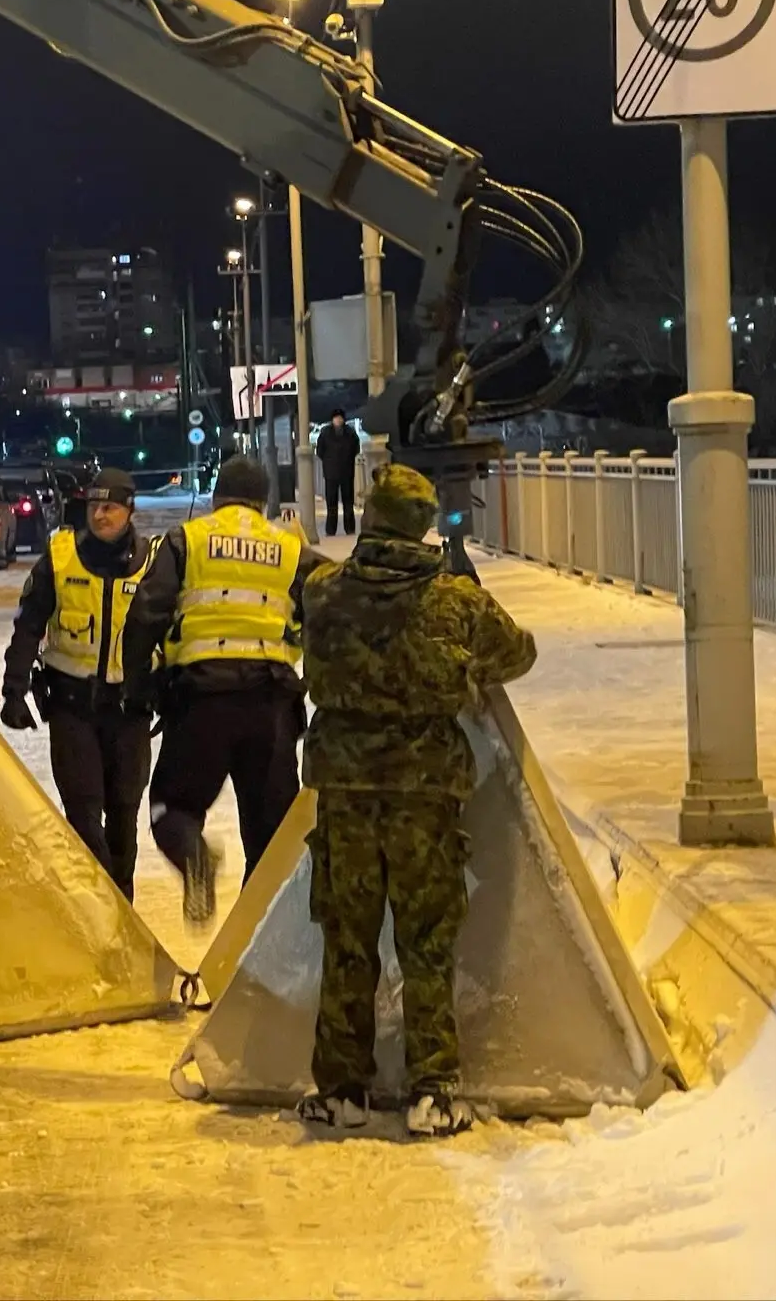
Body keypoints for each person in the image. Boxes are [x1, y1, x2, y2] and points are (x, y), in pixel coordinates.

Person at [295, 463, 538, 1138]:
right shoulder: (457, 601)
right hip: (425, 794)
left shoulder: (322, 593)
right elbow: (518, 654)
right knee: (426, 940)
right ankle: (433, 1089)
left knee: (347, 936)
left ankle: (343, 1087)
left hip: (343, 793)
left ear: (370, 516)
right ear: (423, 523)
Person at [122, 453, 329, 928]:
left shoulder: (185, 541)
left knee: (170, 807)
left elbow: (146, 616)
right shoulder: (289, 548)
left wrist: (140, 688)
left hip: (202, 702)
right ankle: (252, 945)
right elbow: (329, 609)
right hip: (273, 706)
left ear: (216, 497)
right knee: (272, 839)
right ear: (265, 501)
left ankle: (195, 855)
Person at [0, 468, 157, 896]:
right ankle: (102, 906)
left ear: (130, 510)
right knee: (84, 814)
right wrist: (14, 687)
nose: (100, 515)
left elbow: (172, 631)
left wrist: (176, 693)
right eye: (93, 506)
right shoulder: (61, 555)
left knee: (124, 817)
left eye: (110, 507)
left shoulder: (154, 563)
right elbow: (29, 623)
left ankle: (123, 911)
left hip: (130, 711)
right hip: (73, 707)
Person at [315, 408, 360, 538]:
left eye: (340, 418)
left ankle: (350, 528)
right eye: (336, 418)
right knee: (331, 503)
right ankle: (330, 530)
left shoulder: (350, 433)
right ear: (332, 419)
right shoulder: (325, 433)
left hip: (347, 471)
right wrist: (329, 461)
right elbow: (320, 451)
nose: (338, 420)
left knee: (348, 502)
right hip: (331, 473)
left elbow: (356, 448)